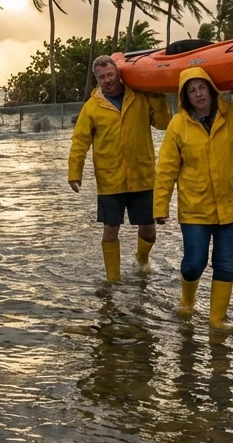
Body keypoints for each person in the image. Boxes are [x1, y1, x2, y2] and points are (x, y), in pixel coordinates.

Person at [153, 68, 233, 328]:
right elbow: (166, 169)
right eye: (192, 90)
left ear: (211, 89)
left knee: (224, 263)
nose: (198, 94)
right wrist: (160, 206)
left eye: (202, 88)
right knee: (194, 263)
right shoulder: (178, 124)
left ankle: (217, 320)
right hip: (196, 205)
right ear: (185, 96)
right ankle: (187, 300)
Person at [68, 55, 172, 281]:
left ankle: (142, 260)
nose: (107, 80)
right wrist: (74, 172)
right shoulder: (91, 107)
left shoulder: (141, 97)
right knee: (109, 231)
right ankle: (112, 279)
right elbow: (80, 142)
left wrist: (157, 97)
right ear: (98, 81)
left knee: (149, 230)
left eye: (110, 75)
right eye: (102, 77)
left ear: (119, 74)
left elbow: (164, 123)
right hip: (109, 180)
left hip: (142, 176)